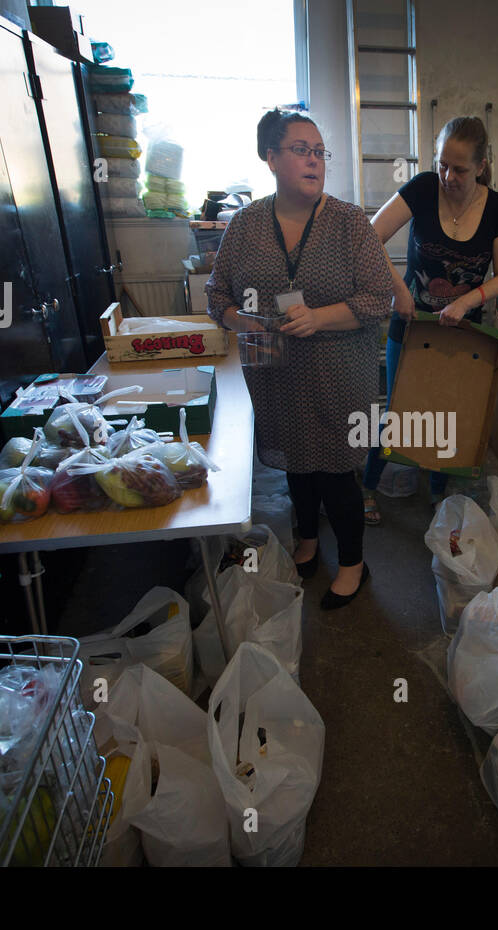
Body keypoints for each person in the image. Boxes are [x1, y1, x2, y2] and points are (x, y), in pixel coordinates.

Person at [206, 109, 393, 610]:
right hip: (275, 373)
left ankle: (352, 562)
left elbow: (380, 298)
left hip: (338, 373)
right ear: (270, 158)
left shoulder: (350, 223)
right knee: (295, 463)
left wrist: (320, 318)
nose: (315, 161)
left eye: (319, 152)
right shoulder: (245, 225)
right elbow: (216, 293)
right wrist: (239, 320)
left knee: (336, 471)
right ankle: (307, 541)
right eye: (301, 150)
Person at [360, 116, 498, 524]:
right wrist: (399, 289)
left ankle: (436, 491)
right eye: (443, 164)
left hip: (462, 332)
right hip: (411, 325)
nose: (448, 175)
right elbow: (369, 236)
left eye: (460, 168)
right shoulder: (423, 188)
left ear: (481, 166)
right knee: (401, 410)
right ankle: (367, 486)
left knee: (447, 412)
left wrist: (466, 302)